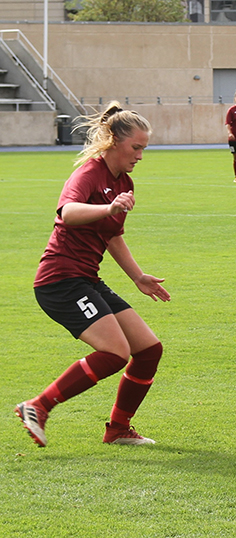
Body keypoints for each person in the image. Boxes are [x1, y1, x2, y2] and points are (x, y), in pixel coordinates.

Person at [15, 102, 170, 448]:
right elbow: (68, 213)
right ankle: (37, 406)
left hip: (86, 279)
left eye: (144, 148)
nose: (141, 156)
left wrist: (138, 277)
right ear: (115, 141)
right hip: (60, 280)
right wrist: (109, 207)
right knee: (115, 352)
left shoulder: (124, 181)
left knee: (148, 350)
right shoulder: (89, 173)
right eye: (136, 147)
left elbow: (112, 235)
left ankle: (117, 429)